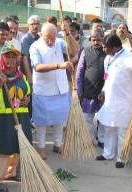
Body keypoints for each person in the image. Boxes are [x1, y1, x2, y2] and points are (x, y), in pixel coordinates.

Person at [0, 43, 31, 192]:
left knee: (17, 146)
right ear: (1, 58)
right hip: (1, 118)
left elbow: (27, 93)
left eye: (13, 56)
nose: (10, 60)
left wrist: (27, 100)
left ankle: (11, 172)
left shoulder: (21, 76)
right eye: (7, 56)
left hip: (20, 116)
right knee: (2, 148)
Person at [29, 23, 79, 160]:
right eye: (47, 39)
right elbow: (37, 67)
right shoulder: (35, 46)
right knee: (42, 122)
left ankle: (57, 144)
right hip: (43, 89)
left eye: (53, 38)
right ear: (41, 34)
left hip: (61, 88)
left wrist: (67, 34)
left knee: (60, 119)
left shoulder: (60, 42)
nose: (50, 41)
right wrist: (59, 65)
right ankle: (40, 147)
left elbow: (75, 51)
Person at [95, 34, 132, 168]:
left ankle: (121, 158)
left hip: (124, 101)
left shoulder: (130, 57)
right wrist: (103, 91)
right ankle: (108, 153)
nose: (103, 49)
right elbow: (107, 78)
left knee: (122, 131)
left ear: (114, 47)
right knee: (108, 128)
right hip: (109, 100)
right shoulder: (108, 58)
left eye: (105, 47)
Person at [76, 29, 106, 146]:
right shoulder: (85, 52)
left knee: (103, 118)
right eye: (93, 40)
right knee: (88, 118)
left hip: (103, 90)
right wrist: (79, 89)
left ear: (103, 39)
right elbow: (79, 71)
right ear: (90, 40)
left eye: (98, 40)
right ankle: (90, 139)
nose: (96, 42)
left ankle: (102, 140)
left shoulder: (107, 53)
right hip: (88, 89)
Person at [21, 15, 40, 85]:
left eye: (37, 24)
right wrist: (29, 76)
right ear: (28, 26)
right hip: (30, 73)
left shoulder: (39, 37)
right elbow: (25, 58)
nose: (35, 26)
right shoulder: (26, 39)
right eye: (32, 24)